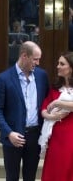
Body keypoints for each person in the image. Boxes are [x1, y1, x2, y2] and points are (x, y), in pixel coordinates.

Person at [0, 41, 49, 181]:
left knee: (30, 177)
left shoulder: (42, 76)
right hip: (13, 137)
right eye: (35, 59)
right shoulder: (3, 78)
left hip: (35, 136)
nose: (38, 62)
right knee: (12, 177)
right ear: (24, 56)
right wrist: (8, 132)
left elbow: (47, 102)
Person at [40, 52, 73, 181]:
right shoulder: (55, 88)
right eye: (58, 63)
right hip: (55, 137)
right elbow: (44, 107)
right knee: (54, 170)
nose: (58, 66)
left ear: (71, 68)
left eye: (62, 64)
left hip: (70, 136)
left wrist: (58, 102)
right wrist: (49, 116)